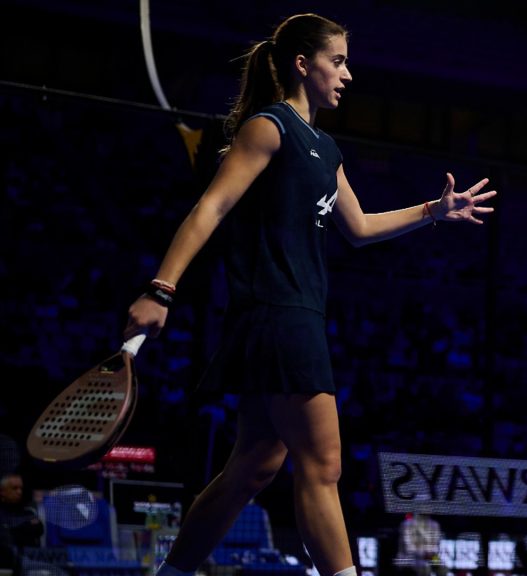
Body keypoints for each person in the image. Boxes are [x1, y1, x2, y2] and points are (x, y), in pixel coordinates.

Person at [123, 13, 496, 576]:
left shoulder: (325, 147)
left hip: (291, 317)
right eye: (338, 61)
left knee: (252, 466)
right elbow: (212, 207)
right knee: (322, 466)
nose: (347, 73)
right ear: (304, 64)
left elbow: (361, 227)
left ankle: (170, 574)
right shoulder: (268, 127)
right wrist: (161, 288)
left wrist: (433, 211)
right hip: (279, 316)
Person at [0, 471, 44, 570]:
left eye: (21, 488)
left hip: (29, 564)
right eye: (14, 488)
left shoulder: (29, 512)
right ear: (2, 491)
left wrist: (11, 529)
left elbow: (39, 529)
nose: (19, 492)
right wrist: (24, 527)